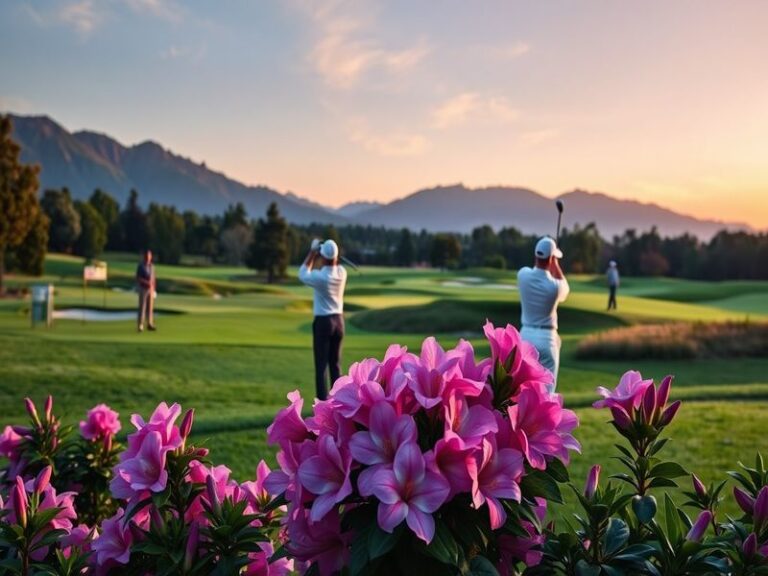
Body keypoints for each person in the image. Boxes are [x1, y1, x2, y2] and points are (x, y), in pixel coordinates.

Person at [517, 237, 570, 388]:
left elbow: (533, 269)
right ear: (552, 259)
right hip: (547, 340)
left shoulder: (522, 275)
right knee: (546, 394)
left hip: (525, 336)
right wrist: (556, 265)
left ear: (535, 255)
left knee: (522, 389)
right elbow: (565, 286)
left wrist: (551, 261)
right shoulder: (555, 287)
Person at [299, 239, 347, 401]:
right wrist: (327, 253)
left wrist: (313, 252)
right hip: (339, 322)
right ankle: (339, 402)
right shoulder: (342, 272)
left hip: (324, 323)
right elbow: (335, 262)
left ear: (323, 257)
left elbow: (302, 273)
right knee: (335, 365)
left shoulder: (320, 277)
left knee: (321, 367)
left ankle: (322, 406)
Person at [136, 249, 156, 332]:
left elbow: (153, 278)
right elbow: (138, 278)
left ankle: (149, 324)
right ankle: (140, 325)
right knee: (142, 307)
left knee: (150, 308)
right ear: (144, 256)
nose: (148, 257)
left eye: (149, 256)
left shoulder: (152, 266)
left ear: (151, 257)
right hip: (143, 288)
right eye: (147, 256)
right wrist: (146, 282)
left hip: (150, 289)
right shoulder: (141, 266)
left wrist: (153, 288)